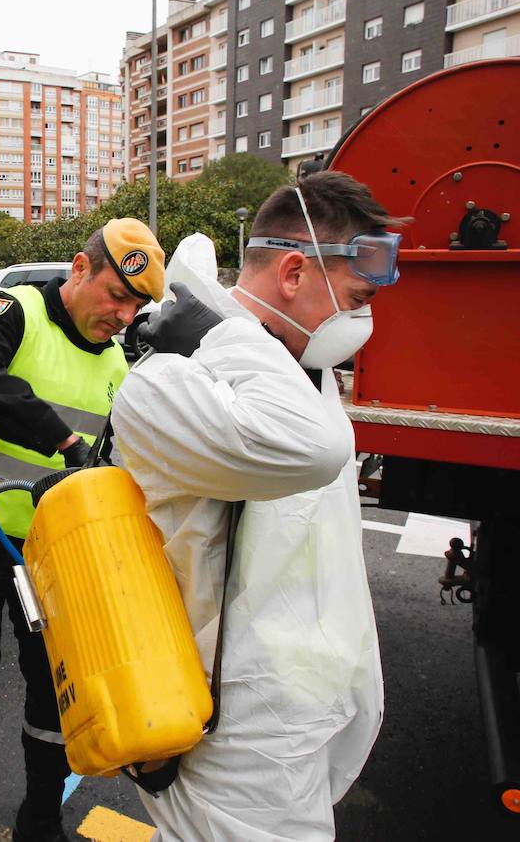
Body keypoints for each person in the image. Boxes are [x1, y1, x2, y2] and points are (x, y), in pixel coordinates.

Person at [114, 171, 402, 841]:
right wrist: (215, 329)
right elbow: (315, 450)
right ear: (295, 273)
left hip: (294, 703)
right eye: (357, 299)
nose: (363, 320)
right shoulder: (176, 380)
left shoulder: (292, 364)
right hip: (233, 727)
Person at [0, 219, 165, 842]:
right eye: (117, 296)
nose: (125, 315)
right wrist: (60, 438)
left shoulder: (115, 362)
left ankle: (41, 821)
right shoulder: (15, 309)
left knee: (56, 697)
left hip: (52, 555)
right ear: (80, 269)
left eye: (136, 306)